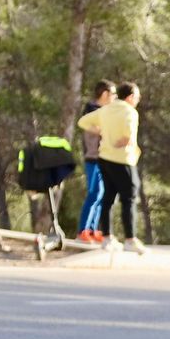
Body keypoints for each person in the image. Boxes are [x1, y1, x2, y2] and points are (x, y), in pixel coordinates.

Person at [77, 82, 145, 253]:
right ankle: (130, 239)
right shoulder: (130, 112)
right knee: (129, 199)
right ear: (130, 97)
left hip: (104, 158)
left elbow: (83, 121)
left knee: (107, 198)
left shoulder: (106, 110)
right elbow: (129, 136)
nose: (138, 100)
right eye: (137, 97)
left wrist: (100, 130)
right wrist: (124, 140)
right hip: (123, 159)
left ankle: (107, 238)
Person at [75, 80, 113, 244]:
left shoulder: (103, 112)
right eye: (113, 94)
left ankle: (92, 229)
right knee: (95, 192)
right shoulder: (92, 110)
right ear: (104, 94)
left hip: (103, 158)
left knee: (102, 194)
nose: (114, 98)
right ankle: (82, 231)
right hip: (93, 158)